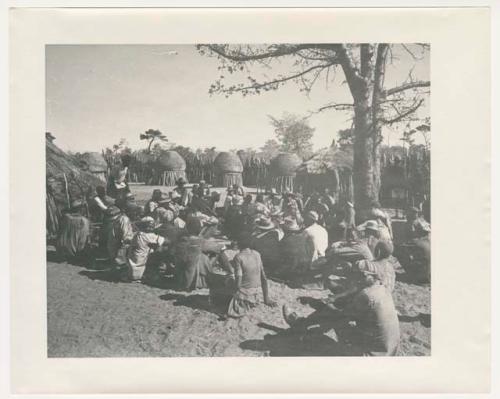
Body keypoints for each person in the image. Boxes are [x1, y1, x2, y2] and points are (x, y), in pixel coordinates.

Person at [227, 232, 276, 318]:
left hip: (245, 296)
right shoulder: (257, 254)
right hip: (258, 295)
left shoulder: (238, 257)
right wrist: (266, 299)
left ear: (238, 243)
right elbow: (264, 278)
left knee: (226, 282)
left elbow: (238, 283)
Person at [173, 217, 213, 291]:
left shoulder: (181, 238)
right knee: (191, 269)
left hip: (180, 257)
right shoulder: (199, 239)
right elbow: (208, 247)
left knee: (181, 268)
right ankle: (187, 286)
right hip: (192, 258)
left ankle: (179, 284)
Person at [126, 217, 166, 282]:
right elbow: (162, 240)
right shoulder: (149, 236)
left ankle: (133, 276)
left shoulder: (137, 234)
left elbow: (129, 240)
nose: (150, 228)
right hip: (143, 256)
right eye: (149, 227)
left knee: (133, 265)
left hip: (134, 254)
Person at [56, 199, 91, 264]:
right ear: (81, 209)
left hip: (60, 251)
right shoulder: (83, 221)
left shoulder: (65, 217)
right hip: (74, 253)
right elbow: (83, 240)